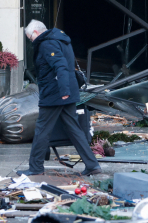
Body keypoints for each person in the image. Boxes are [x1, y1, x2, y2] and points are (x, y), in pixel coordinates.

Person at [17, 20, 102, 177]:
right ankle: (92, 165)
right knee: (74, 129)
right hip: (66, 92)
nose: (31, 41)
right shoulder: (61, 39)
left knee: (42, 129)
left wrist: (63, 90)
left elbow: (61, 65)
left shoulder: (46, 44)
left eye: (30, 38)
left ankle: (35, 167)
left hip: (55, 93)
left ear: (36, 33)